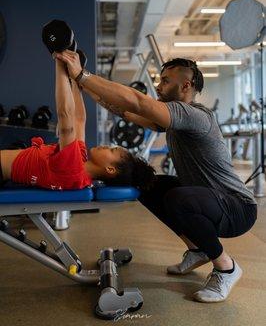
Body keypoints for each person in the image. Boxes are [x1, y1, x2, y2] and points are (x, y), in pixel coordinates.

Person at [56, 50, 257, 303]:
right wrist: (82, 86)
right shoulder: (174, 119)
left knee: (178, 198)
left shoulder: (193, 114)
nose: (158, 86)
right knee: (149, 184)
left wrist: (83, 75)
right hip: (211, 200)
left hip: (238, 208)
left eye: (165, 81)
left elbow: (138, 102)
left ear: (186, 85)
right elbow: (126, 111)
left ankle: (226, 268)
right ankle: (197, 249)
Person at [0, 55, 155, 191]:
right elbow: (79, 119)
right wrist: (75, 78)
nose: (107, 146)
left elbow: (65, 116)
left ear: (110, 169)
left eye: (112, 151)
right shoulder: (80, 167)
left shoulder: (73, 167)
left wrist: (61, 63)